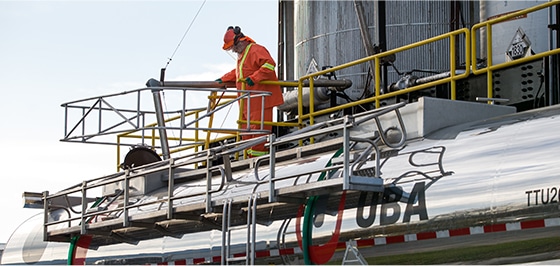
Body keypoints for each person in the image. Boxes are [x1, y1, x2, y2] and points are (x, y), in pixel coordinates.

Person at [216, 26, 284, 157]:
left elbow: (270, 64)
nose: (233, 51)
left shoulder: (256, 50)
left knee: (258, 133)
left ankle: (259, 161)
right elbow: (239, 73)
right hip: (247, 103)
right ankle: (249, 160)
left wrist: (255, 78)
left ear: (240, 41)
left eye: (233, 47)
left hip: (260, 101)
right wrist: (222, 80)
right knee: (246, 133)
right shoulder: (243, 55)